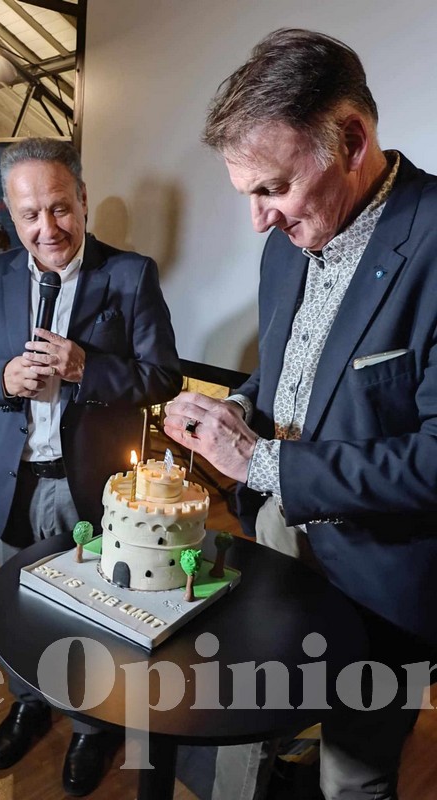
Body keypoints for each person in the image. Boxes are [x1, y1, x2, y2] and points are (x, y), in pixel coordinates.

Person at [164, 28, 437, 800]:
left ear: (351, 140)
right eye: (247, 193)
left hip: (385, 575)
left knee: (354, 770)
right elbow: (293, 368)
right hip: (277, 535)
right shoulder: (286, 243)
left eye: (273, 188)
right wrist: (239, 404)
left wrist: (257, 460)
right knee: (249, 721)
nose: (259, 220)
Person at [0, 137, 182, 795]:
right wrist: (1, 378)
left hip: (93, 487)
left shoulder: (130, 275)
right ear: (10, 212)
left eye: (59, 208)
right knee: (18, 606)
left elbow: (163, 375)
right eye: (29, 214)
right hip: (13, 482)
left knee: (94, 614)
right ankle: (28, 702)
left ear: (82, 198)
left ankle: (90, 726)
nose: (47, 228)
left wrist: (87, 369)